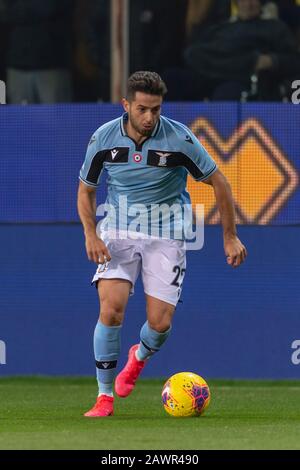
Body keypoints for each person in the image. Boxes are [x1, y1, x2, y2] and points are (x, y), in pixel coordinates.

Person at [77, 71, 247, 418]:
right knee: (111, 309)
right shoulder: (103, 138)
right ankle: (104, 397)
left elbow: (220, 183)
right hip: (119, 231)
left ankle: (138, 358)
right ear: (126, 105)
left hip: (167, 234)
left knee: (159, 323)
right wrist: (91, 234)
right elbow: (86, 190)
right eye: (142, 109)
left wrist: (229, 236)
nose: (149, 117)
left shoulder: (179, 139)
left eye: (155, 109)